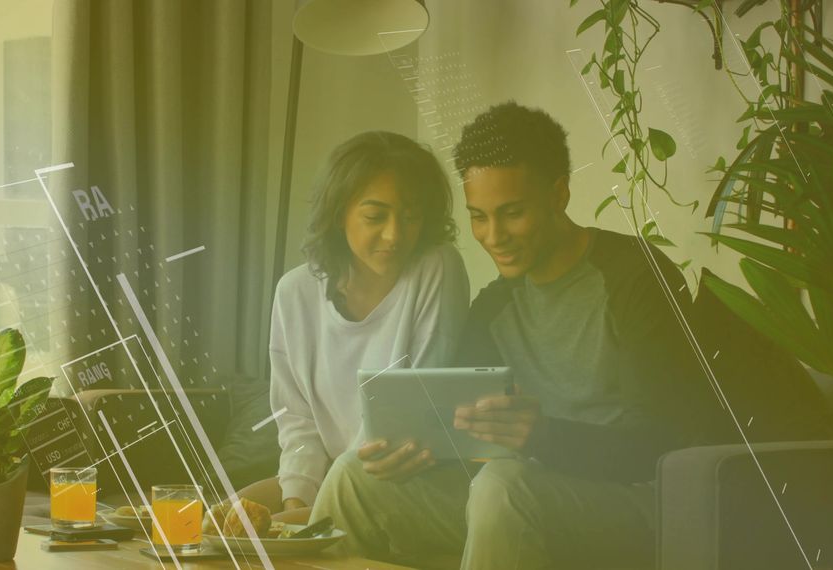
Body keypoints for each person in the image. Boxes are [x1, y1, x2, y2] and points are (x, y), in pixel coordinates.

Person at [310, 102, 718, 568]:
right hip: (520, 498)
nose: (493, 235)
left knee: (502, 484)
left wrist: (543, 436)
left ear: (558, 194)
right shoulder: (494, 308)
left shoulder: (636, 279)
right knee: (352, 477)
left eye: (512, 213)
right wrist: (414, 454)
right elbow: (464, 437)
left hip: (638, 506)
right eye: (479, 216)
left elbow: (672, 444)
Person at [259, 131, 470, 523]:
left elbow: (406, 408)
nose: (394, 234)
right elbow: (297, 423)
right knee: (218, 519)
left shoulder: (437, 268)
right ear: (340, 214)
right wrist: (296, 502)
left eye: (410, 216)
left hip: (403, 475)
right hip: (337, 477)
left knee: (249, 540)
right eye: (375, 216)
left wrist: (305, 519)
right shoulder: (294, 292)